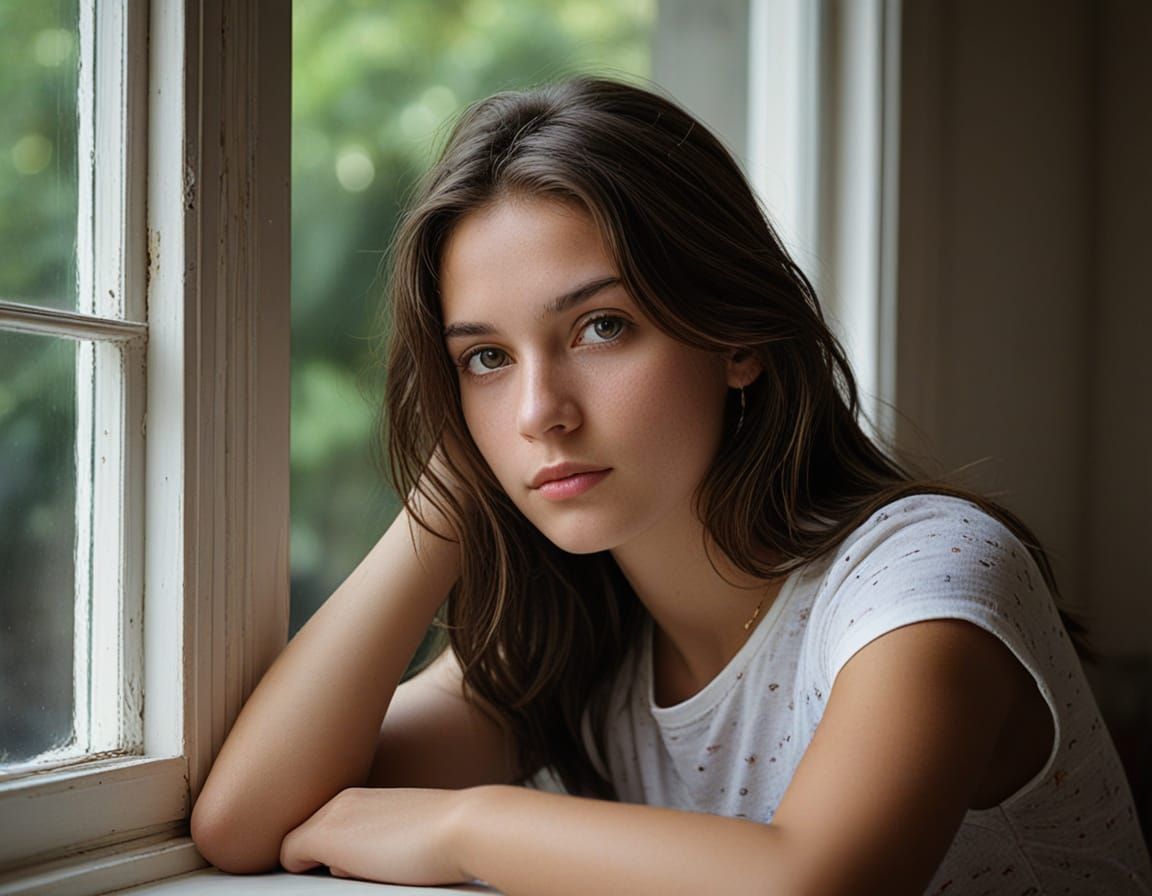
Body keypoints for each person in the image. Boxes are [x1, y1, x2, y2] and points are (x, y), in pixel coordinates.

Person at [190, 77, 1151, 895]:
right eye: (485, 356)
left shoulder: (923, 576)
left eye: (600, 327)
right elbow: (244, 823)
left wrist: (464, 827)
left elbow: (812, 881)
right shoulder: (582, 642)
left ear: (736, 338)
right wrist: (458, 488)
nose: (540, 411)